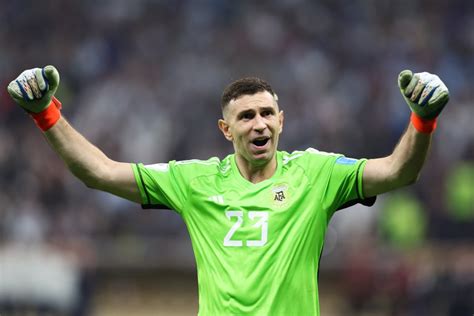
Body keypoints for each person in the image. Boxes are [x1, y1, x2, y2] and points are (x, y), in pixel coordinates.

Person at [7, 66, 449, 315]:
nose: (258, 123)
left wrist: (422, 120)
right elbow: (99, 171)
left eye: (266, 113)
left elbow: (397, 172)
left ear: (281, 121)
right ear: (226, 129)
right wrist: (45, 112)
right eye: (246, 116)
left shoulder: (317, 173)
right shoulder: (194, 180)